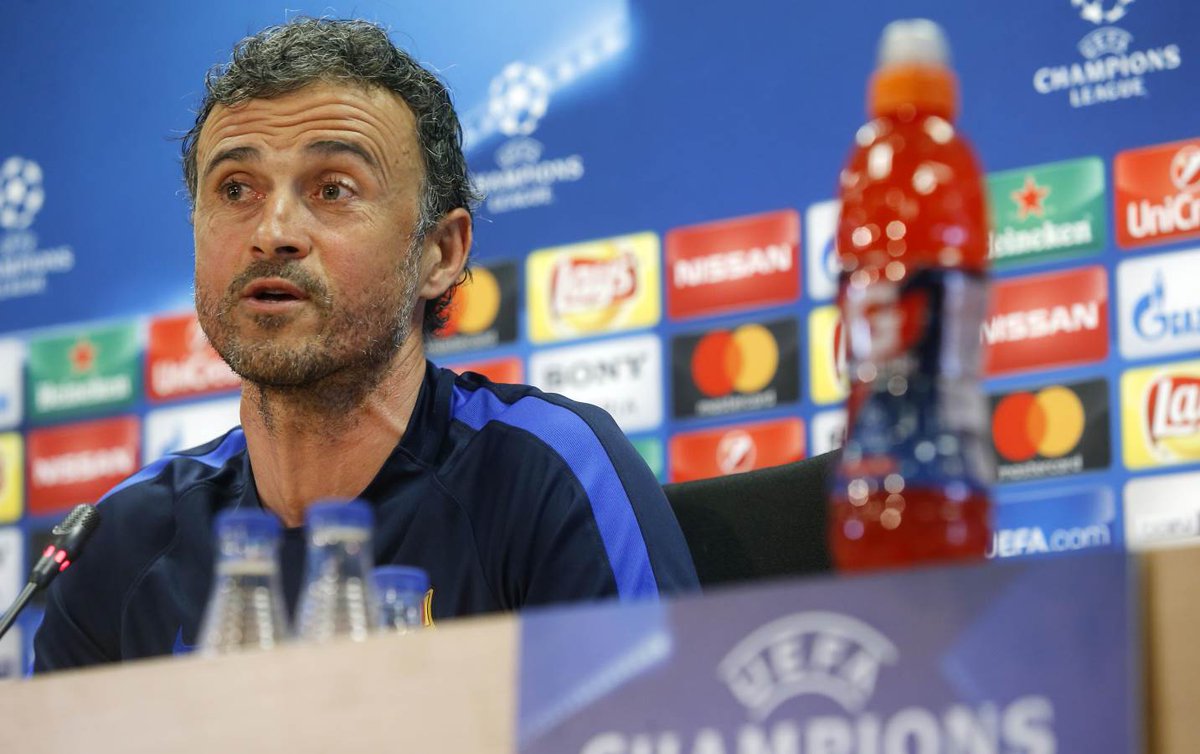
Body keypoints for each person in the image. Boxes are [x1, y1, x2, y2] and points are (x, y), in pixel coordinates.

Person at [34, 18, 698, 671]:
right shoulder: (119, 545)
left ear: (441, 253)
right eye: (236, 189)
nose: (272, 232)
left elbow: (650, 720)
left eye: (333, 189)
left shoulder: (548, 474)